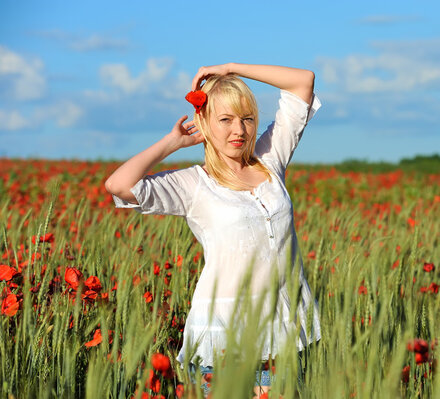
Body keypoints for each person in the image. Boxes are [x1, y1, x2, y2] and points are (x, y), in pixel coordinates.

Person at [105, 63, 322, 398]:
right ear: (204, 123)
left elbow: (302, 81)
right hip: (223, 341)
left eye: (247, 118)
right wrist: (171, 143)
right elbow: (119, 185)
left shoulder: (269, 159)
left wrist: (230, 68)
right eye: (225, 119)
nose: (239, 129)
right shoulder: (193, 184)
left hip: (278, 333)